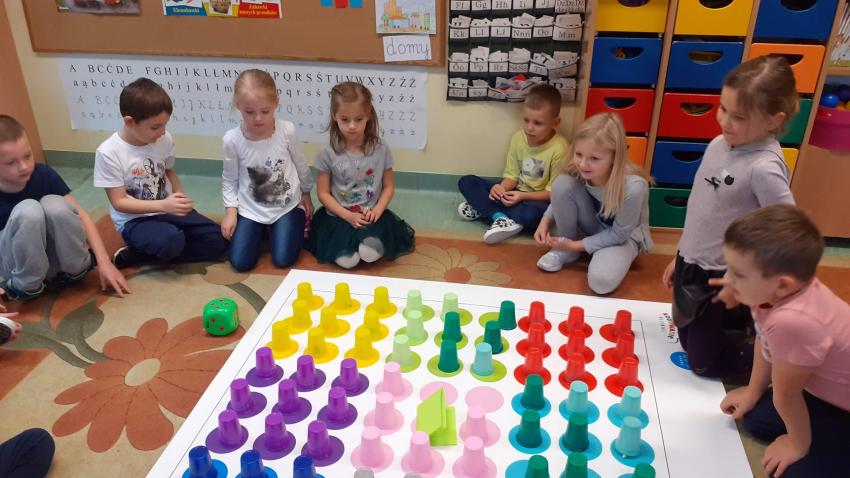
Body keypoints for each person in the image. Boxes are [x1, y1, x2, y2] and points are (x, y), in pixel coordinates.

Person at [661, 56, 798, 378]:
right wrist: (681, 254)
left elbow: (788, 232)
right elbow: (702, 209)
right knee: (685, 340)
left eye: (738, 117)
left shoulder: (763, 168)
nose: (725, 121)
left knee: (703, 364)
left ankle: (782, 360)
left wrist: (747, 279)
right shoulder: (718, 144)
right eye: (723, 109)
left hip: (724, 277)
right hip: (692, 263)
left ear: (772, 121)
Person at [716, 205, 850, 478]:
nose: (727, 279)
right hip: (830, 390)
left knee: (792, 470)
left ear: (783, 285)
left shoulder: (793, 321)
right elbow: (765, 341)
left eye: (738, 274)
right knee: (756, 420)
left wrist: (797, 444)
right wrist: (753, 392)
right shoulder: (773, 293)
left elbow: (787, 395)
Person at [93, 78, 227, 268]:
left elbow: (168, 170)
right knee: (171, 240)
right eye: (155, 127)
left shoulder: (164, 139)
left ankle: (142, 255)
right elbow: (119, 202)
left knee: (218, 240)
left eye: (165, 125)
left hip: (168, 209)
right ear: (130, 122)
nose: (163, 132)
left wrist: (179, 194)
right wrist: (164, 205)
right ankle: (141, 251)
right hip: (135, 221)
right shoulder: (108, 152)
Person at [0, 115, 129, 301]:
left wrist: (104, 262)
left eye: (27, 156)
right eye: (11, 163)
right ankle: (26, 284)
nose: (24, 167)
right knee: (29, 210)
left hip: (56, 262)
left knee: (55, 205)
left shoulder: (44, 174)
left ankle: (76, 268)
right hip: (19, 268)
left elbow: (81, 216)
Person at [534, 113, 652, 294]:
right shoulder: (580, 169)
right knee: (562, 183)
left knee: (601, 282)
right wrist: (545, 221)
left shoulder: (634, 187)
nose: (583, 164)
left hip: (622, 239)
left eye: (594, 158)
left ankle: (579, 249)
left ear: (614, 157)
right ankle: (567, 250)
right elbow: (561, 193)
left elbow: (619, 235)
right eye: (578, 154)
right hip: (593, 226)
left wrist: (575, 245)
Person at [306, 82, 414, 269]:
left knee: (369, 255)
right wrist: (348, 216)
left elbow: (388, 186)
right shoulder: (327, 153)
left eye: (359, 119)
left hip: (371, 216)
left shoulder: (381, 148)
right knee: (348, 261)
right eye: (345, 119)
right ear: (334, 116)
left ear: (368, 116)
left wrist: (378, 210)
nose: (352, 126)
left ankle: (366, 242)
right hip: (339, 217)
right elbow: (323, 193)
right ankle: (350, 244)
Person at [220, 69, 313, 272]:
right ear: (238, 105)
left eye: (265, 111)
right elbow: (229, 179)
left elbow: (300, 163)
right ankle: (262, 230)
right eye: (249, 112)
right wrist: (231, 212)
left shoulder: (287, 130)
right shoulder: (232, 140)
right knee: (240, 262)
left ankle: (282, 227)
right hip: (251, 210)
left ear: (276, 103)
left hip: (286, 207)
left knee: (283, 259)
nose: (258, 118)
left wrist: (306, 193)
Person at [457, 84, 568, 244]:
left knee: (531, 217)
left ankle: (485, 209)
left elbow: (552, 194)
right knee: (467, 182)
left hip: (536, 201)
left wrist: (522, 196)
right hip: (514, 193)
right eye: (526, 120)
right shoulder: (518, 138)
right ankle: (500, 217)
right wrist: (501, 188)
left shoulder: (560, 148)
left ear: (555, 122)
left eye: (538, 123)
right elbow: (512, 176)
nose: (529, 128)